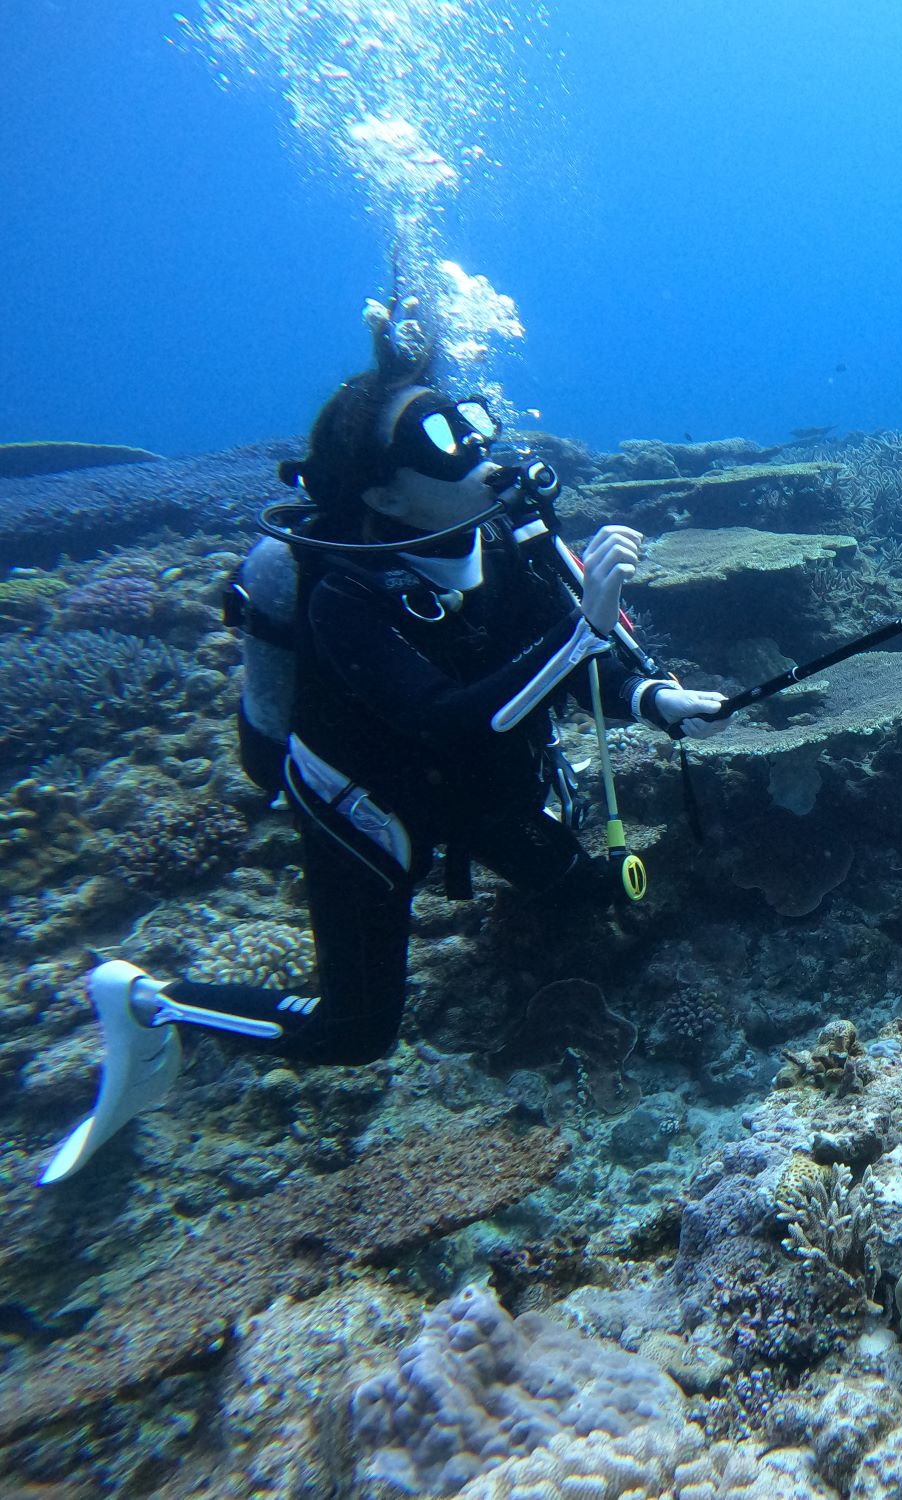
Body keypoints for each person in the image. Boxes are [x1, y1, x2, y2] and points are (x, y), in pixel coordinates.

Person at [39, 297, 729, 1186]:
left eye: (473, 427)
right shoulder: (345, 596)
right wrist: (582, 631)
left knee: (588, 890)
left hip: (479, 787)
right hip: (369, 805)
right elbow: (450, 717)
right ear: (380, 491)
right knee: (353, 1032)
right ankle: (147, 1001)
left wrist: (653, 700)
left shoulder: (507, 544)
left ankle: (529, 879)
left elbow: (574, 673)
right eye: (442, 444)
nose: (481, 454)